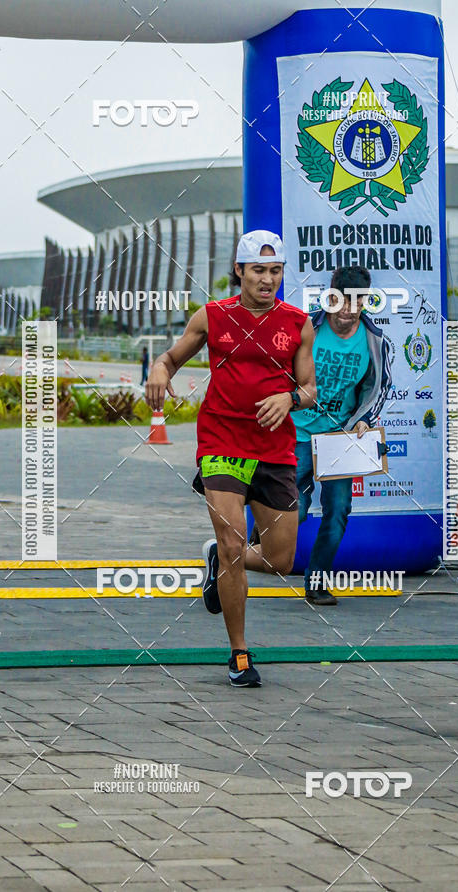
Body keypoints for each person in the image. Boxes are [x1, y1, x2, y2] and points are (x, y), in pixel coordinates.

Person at [146, 230, 316, 687]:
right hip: (222, 442)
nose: (267, 279)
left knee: (281, 561)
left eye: (275, 271)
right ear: (239, 270)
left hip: (274, 450)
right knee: (233, 547)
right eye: (258, 270)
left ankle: (216, 560)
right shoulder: (213, 316)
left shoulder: (298, 323)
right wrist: (160, 370)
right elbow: (171, 357)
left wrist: (289, 400)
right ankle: (239, 654)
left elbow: (309, 389)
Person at [291, 265, 392, 605]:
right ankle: (253, 547)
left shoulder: (375, 340)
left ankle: (317, 582)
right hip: (296, 433)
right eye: (342, 299)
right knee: (294, 510)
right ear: (330, 295)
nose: (349, 309)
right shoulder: (306, 327)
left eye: (358, 301)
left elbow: (379, 388)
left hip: (339, 439)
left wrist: (363, 420)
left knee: (337, 511)